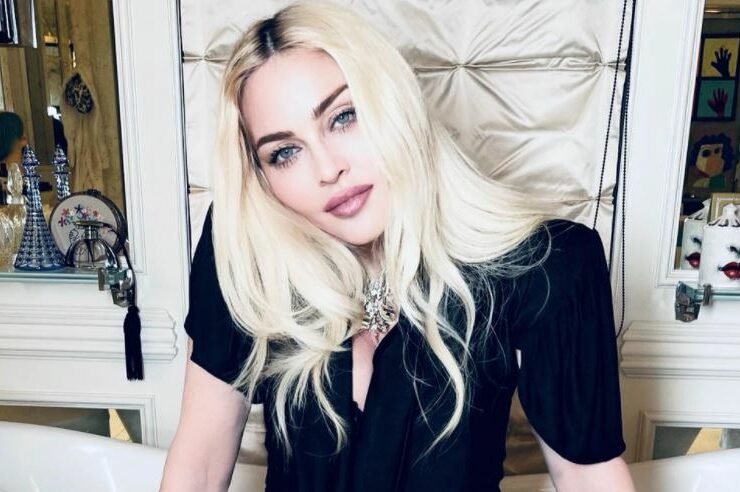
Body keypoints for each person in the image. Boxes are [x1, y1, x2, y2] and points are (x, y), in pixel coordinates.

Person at [160, 2, 635, 491]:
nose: (328, 168)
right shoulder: (246, 246)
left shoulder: (546, 267)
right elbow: (200, 461)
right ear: (263, 177)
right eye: (284, 153)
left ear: (393, 102)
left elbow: (587, 473)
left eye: (344, 117)